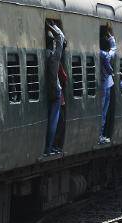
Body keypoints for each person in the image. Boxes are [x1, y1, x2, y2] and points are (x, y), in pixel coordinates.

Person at [45, 21, 66, 155]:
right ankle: (49, 147)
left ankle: (48, 146)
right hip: (56, 92)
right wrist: (53, 26)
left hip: (47, 90)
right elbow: (61, 37)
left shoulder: (45, 55)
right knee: (54, 121)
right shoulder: (54, 58)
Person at [99, 30, 117, 144]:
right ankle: (100, 135)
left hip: (104, 85)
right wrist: (112, 40)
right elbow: (113, 51)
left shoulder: (99, 53)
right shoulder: (105, 55)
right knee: (103, 113)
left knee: (103, 112)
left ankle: (100, 135)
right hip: (105, 86)